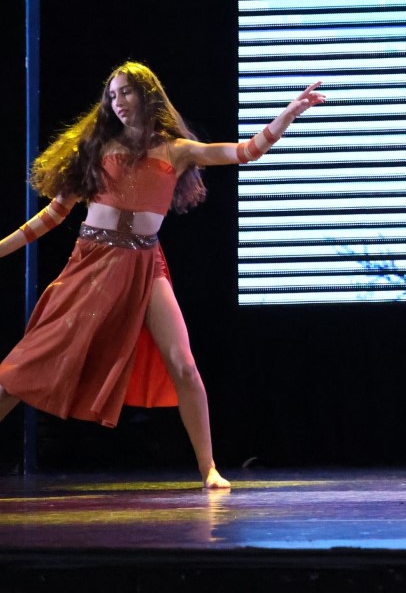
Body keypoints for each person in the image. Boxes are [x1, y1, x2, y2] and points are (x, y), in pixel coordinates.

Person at [0, 62, 324, 489]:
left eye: (126, 92)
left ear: (147, 95)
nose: (118, 102)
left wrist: (288, 115)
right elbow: (54, 214)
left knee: (183, 364)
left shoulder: (176, 150)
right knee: (29, 365)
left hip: (145, 263)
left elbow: (246, 151)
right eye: (112, 95)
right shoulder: (95, 147)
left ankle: (209, 468)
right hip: (93, 263)